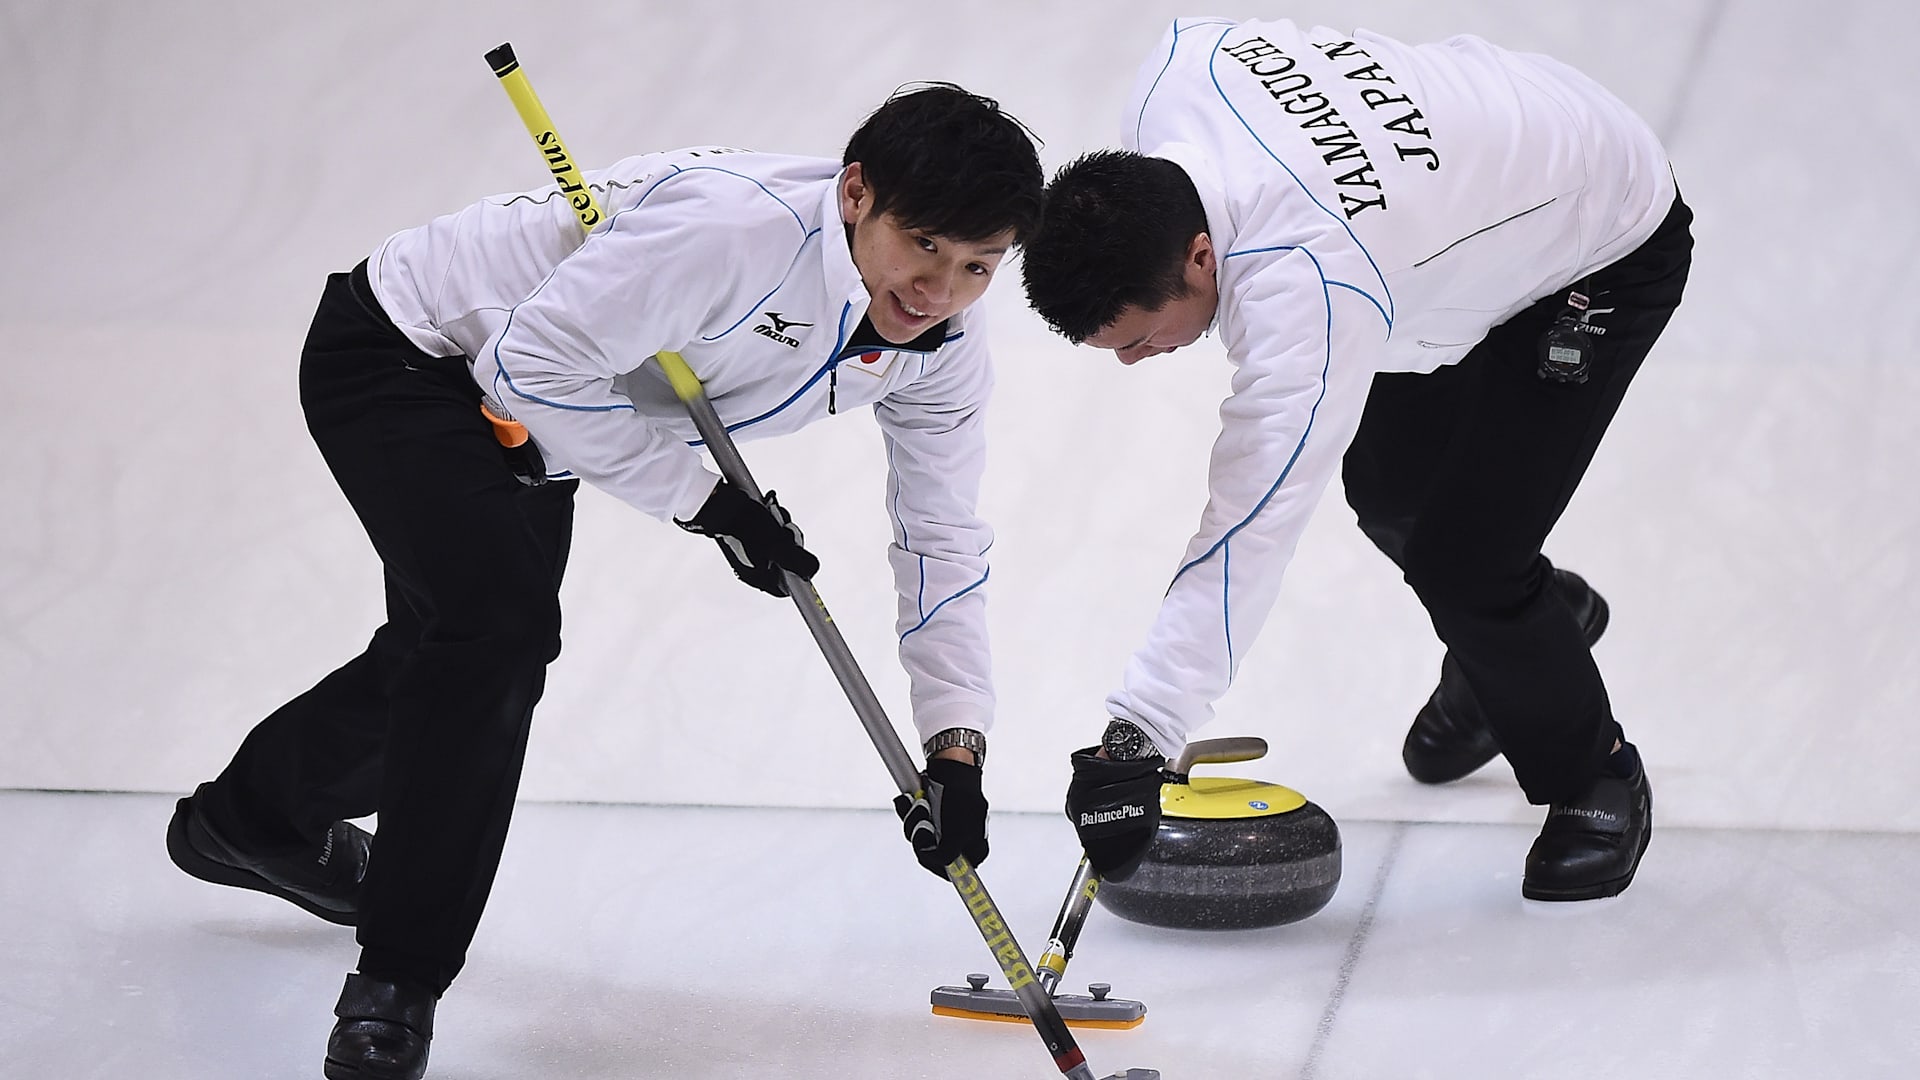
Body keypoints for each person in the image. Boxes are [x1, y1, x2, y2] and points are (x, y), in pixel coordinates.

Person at [165, 84, 1042, 1080]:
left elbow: (942, 544)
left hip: (557, 405)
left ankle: (250, 820)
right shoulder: (732, 233)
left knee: (447, 644)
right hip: (412, 354)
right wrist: (706, 504)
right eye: (923, 244)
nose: (938, 288)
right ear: (856, 194)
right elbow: (527, 365)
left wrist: (955, 744)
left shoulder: (943, 354)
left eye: (977, 266)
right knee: (494, 632)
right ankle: (395, 986)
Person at [1026, 18, 1691, 903]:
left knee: (1470, 561)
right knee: (1385, 484)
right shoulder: (1171, 75)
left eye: (1142, 338)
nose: (1133, 361)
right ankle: (1529, 638)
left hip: (1601, 237)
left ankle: (1596, 776)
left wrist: (1138, 735)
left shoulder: (1308, 287)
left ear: (1199, 256)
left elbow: (1247, 530)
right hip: (1450, 228)